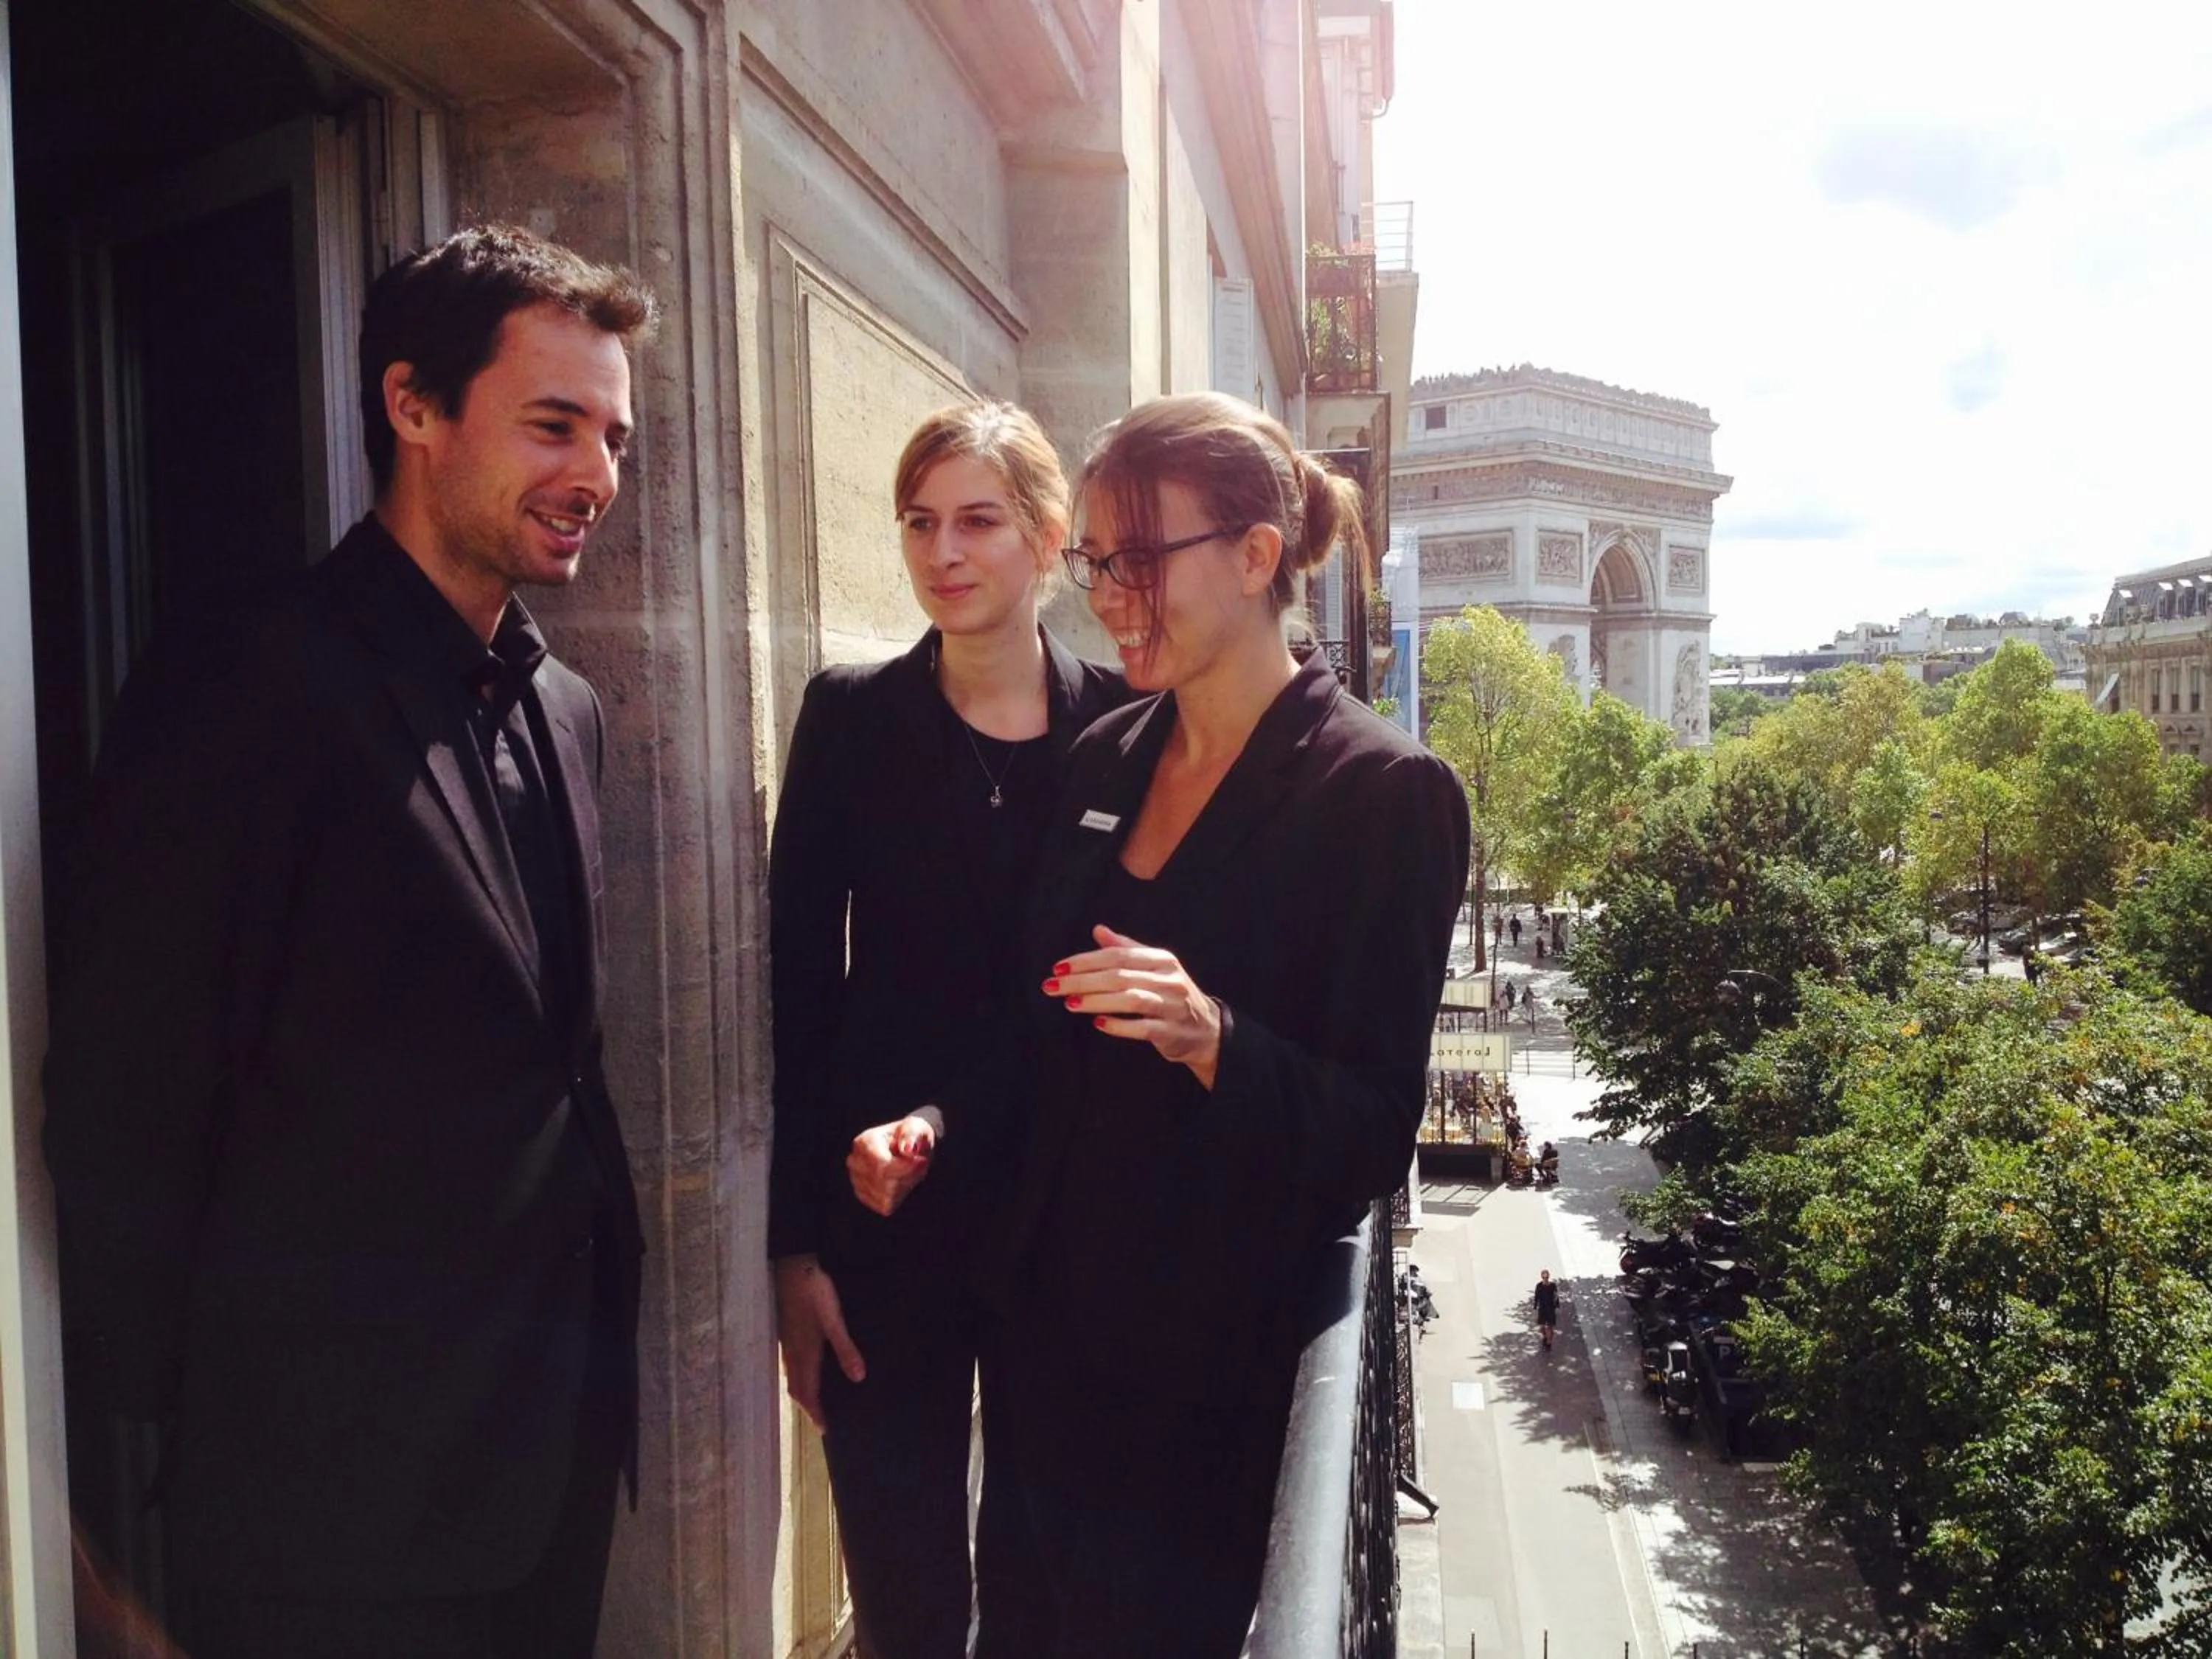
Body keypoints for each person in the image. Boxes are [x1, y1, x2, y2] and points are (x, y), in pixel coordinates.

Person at [40, 225, 655, 1658]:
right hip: (324, 1502)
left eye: (615, 437)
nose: (598, 477)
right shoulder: (247, 681)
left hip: (550, 1459)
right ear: (413, 405)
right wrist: (124, 1500)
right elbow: (129, 1099)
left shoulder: (566, 706)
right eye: (555, 424)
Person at [850, 392, 1469, 1655]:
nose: (1109, 597)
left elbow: (1365, 1136)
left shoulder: (1381, 793)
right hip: (1042, 1359)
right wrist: (934, 1122)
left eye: (1138, 561)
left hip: (1199, 1389)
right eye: (1096, 563)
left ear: (1253, 557)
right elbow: (1039, 1029)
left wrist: (1215, 1039)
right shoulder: (1106, 755)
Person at [768, 403, 1128, 1658]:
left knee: (1048, 1599)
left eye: (977, 520)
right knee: (906, 1601)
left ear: (1047, 538)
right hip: (882, 1224)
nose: (943, 552)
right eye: (920, 522)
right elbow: (799, 988)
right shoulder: (851, 718)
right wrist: (793, 1249)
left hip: (1062, 1226)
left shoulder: (1126, 733)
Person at [1534, 1269, 1560, 1350]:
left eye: (1547, 1277)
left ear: (1548, 1277)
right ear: (1542, 1277)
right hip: (1542, 1308)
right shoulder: (1539, 1286)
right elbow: (1536, 1297)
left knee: (1550, 1327)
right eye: (1544, 1277)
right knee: (1542, 1327)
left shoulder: (1553, 1286)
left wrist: (1557, 1306)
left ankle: (1549, 1344)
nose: (1545, 1278)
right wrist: (1535, 1307)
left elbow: (1556, 1297)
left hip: (1550, 1308)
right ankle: (1545, 1337)